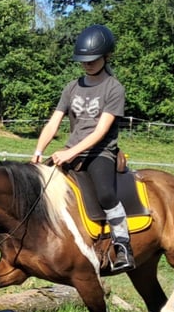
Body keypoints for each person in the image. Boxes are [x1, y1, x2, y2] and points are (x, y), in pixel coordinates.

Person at [31, 24, 135, 272]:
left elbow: (100, 132)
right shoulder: (72, 87)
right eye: (83, 60)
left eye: (92, 59)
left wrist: (69, 153)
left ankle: (123, 246)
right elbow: (54, 121)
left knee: (106, 194)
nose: (87, 64)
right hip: (71, 150)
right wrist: (38, 150)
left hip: (100, 153)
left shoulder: (114, 88)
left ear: (106, 57)